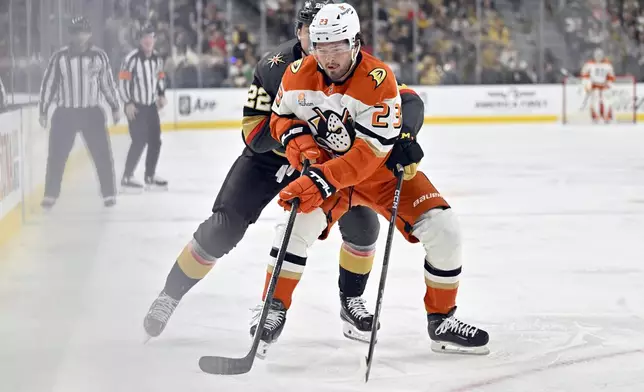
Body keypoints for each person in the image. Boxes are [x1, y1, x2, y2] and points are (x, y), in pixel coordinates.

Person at [142, 0, 425, 345]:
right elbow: (253, 130)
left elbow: (406, 100)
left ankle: (351, 302)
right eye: (314, 34)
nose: (324, 46)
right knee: (224, 226)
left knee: (363, 228)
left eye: (334, 39)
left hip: (330, 164)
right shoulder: (276, 67)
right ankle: (170, 294)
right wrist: (295, 144)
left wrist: (405, 134)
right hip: (274, 159)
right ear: (299, 33)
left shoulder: (353, 67)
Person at [250, 2, 489, 358]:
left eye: (338, 47)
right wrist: (302, 146)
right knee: (291, 225)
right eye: (321, 47)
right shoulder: (298, 73)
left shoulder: (378, 80)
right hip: (328, 171)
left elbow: (366, 157)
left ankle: (442, 320)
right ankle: (273, 309)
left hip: (378, 175)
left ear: (356, 42)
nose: (329, 57)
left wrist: (318, 180)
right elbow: (280, 119)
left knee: (445, 228)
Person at [39, 16, 120, 208]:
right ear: (71, 34)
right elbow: (49, 84)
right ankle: (51, 194)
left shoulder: (99, 57)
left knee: (102, 154)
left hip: (91, 112)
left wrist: (115, 106)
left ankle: (108, 193)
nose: (80, 37)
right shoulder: (59, 58)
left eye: (83, 32)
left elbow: (107, 84)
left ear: (90, 34)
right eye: (76, 32)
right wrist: (43, 110)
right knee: (57, 155)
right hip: (65, 112)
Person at [119, 24, 168, 190]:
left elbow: (160, 76)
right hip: (136, 107)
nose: (148, 41)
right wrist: (127, 103)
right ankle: (127, 176)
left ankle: (150, 175)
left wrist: (161, 94)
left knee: (155, 141)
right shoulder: (131, 59)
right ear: (139, 41)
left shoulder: (157, 58)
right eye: (144, 38)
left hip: (151, 105)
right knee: (139, 140)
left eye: (151, 37)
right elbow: (123, 82)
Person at [581, 48, 615, 123]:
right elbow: (584, 75)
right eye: (597, 55)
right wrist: (587, 84)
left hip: (604, 86)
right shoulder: (589, 64)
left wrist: (609, 83)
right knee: (594, 101)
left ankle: (607, 117)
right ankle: (595, 117)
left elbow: (611, 76)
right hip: (594, 86)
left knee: (606, 101)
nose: (598, 57)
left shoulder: (607, 64)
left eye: (600, 55)